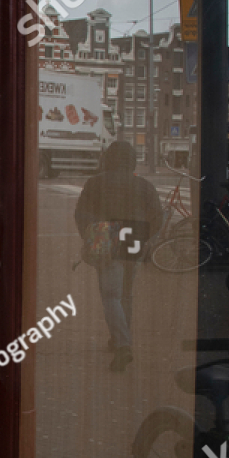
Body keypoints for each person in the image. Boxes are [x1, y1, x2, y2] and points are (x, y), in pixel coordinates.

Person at [74, 140, 162, 372]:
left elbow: (81, 214)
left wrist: (90, 237)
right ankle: (118, 338)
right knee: (126, 294)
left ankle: (123, 344)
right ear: (131, 160)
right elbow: (157, 217)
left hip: (105, 236)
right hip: (133, 236)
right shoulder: (143, 185)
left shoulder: (94, 183)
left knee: (110, 295)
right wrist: (148, 241)